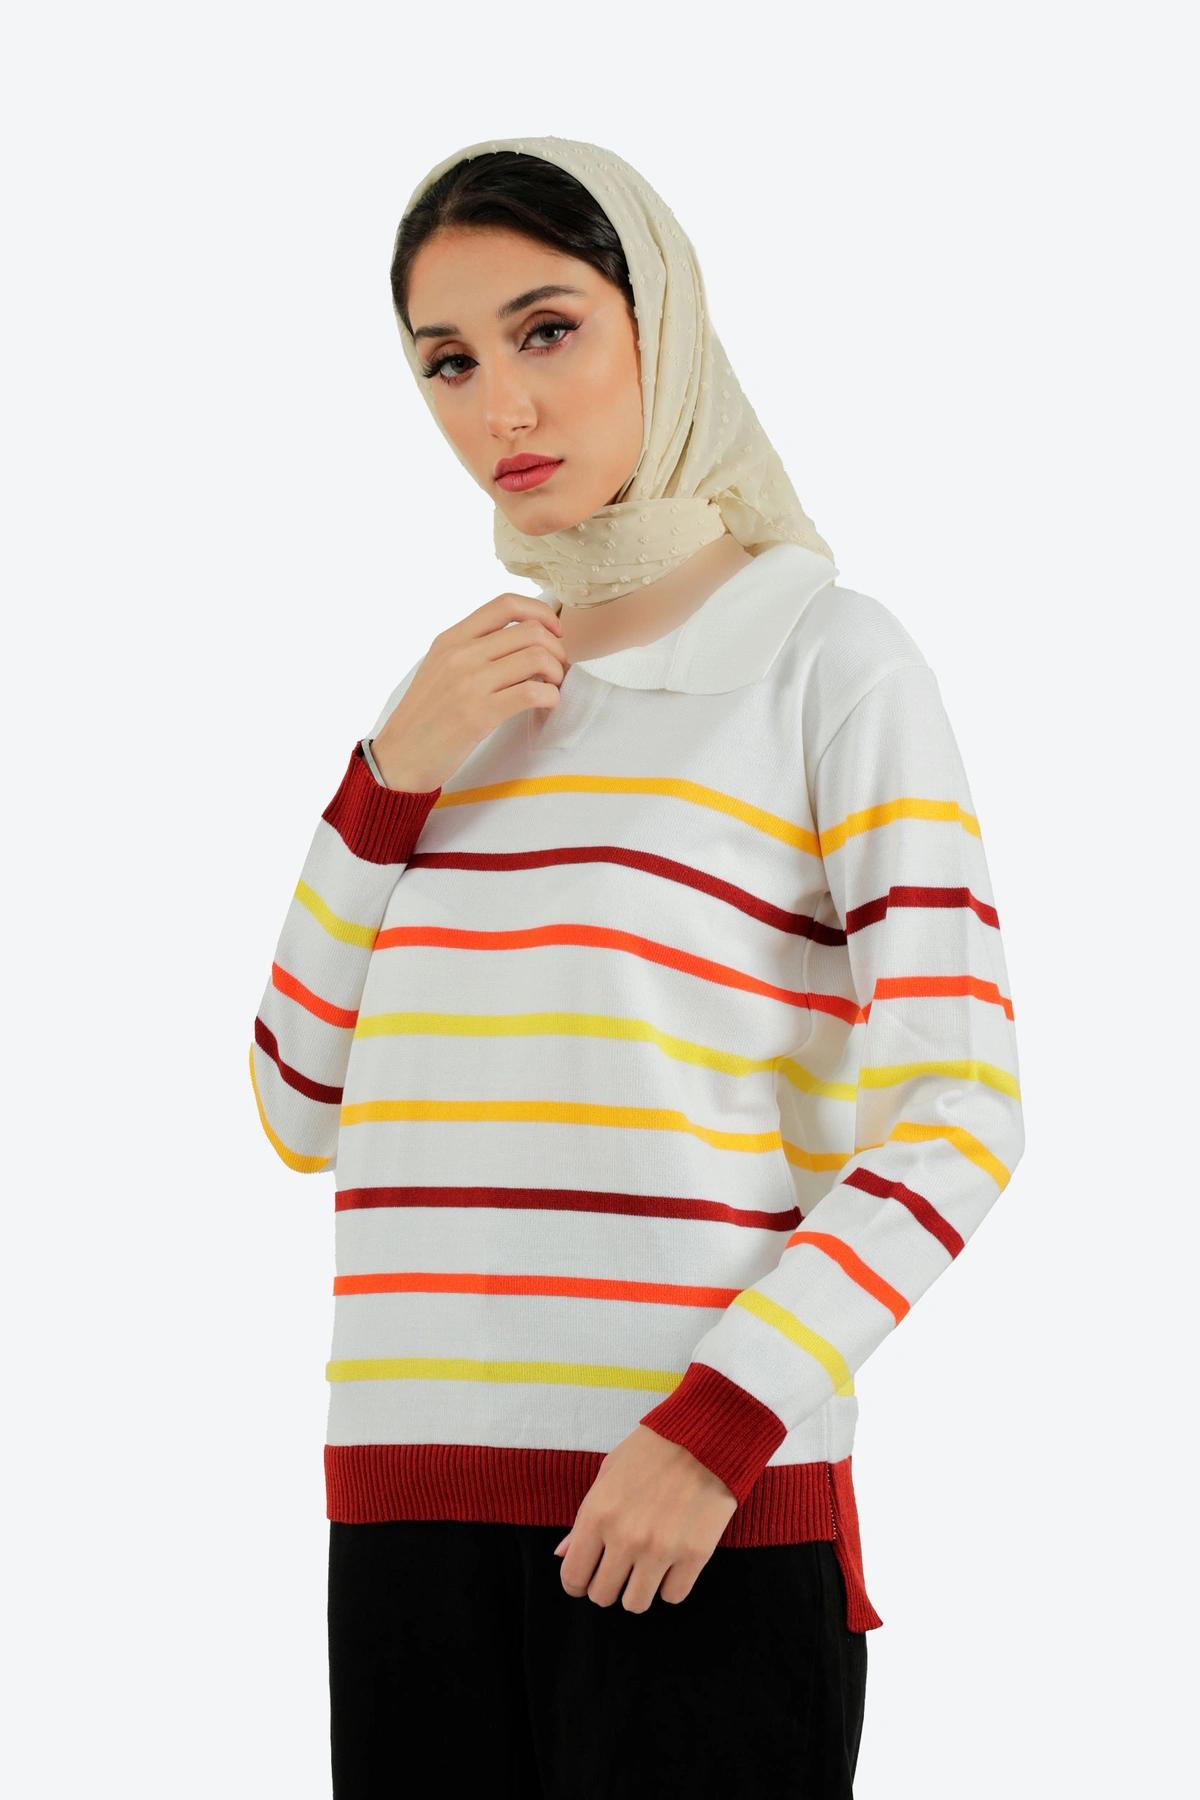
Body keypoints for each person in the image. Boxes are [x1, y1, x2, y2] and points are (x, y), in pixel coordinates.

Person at [248, 134, 1025, 1798]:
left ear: (659, 323)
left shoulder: (825, 659)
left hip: (691, 1519)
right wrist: (388, 778)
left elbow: (960, 1110)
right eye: (448, 362)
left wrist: (719, 1428)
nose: (501, 407)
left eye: (547, 330)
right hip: (404, 1518)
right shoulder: (454, 699)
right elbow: (299, 1101)